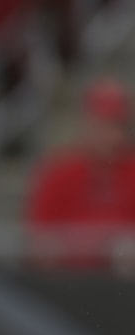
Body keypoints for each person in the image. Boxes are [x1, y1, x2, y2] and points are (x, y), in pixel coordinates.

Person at [26, 78, 135, 271]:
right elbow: (39, 242)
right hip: (69, 282)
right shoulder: (58, 172)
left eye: (118, 126)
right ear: (87, 124)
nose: (113, 136)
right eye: (104, 125)